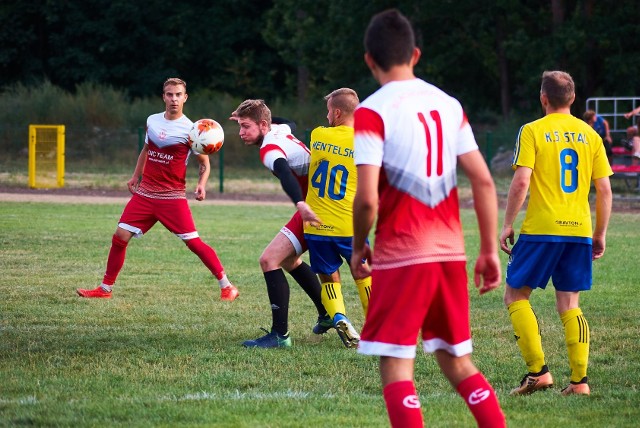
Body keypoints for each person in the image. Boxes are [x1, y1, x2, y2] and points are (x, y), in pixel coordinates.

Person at [350, 9, 505, 428]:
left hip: (402, 254)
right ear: (415, 54)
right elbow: (484, 183)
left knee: (397, 364)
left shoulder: (370, 112)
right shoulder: (448, 103)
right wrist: (488, 251)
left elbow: (366, 199)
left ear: (369, 59)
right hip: (449, 254)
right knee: (458, 361)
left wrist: (358, 244)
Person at [499, 71, 613, 396]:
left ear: (543, 98)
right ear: (573, 99)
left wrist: (507, 223)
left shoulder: (533, 130)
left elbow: (522, 181)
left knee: (515, 295)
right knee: (569, 304)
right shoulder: (590, 134)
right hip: (579, 230)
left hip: (541, 229)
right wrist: (599, 233)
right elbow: (604, 190)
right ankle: (579, 382)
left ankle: (538, 373)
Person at [77, 77, 239, 301]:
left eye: (178, 95)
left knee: (193, 243)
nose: (174, 99)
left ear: (185, 98)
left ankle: (227, 286)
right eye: (170, 94)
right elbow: (146, 149)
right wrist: (136, 176)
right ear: (164, 96)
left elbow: (204, 163)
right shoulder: (152, 121)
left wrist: (201, 185)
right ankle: (105, 290)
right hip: (145, 194)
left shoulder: (192, 130)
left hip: (172, 198)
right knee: (120, 237)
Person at [229, 99, 329, 348]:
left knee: (269, 260)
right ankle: (327, 314)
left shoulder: (270, 147)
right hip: (321, 203)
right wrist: (251, 114)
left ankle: (280, 335)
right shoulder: (278, 130)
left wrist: (299, 204)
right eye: (240, 126)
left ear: (263, 125)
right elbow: (288, 123)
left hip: (313, 209)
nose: (241, 132)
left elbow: (284, 172)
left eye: (246, 126)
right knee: (287, 259)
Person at [304, 87, 372, 349]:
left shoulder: (318, 135)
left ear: (337, 112)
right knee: (363, 274)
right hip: (349, 223)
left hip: (316, 224)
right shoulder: (365, 142)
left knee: (328, 275)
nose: (327, 116)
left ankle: (340, 317)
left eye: (328, 111)